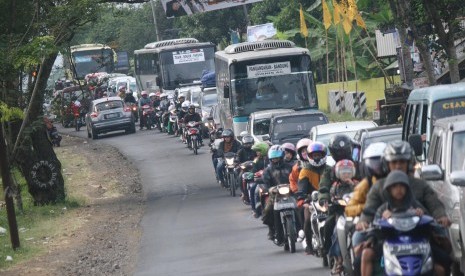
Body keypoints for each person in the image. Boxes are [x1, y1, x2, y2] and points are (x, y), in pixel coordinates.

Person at [357, 140, 451, 275]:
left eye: (402, 162)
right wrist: (364, 222)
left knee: (445, 259)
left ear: (409, 163)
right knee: (360, 259)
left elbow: (434, 205)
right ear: (386, 164)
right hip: (386, 239)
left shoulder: (421, 185)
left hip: (420, 238)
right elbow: (369, 211)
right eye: (394, 162)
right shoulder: (378, 187)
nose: (398, 166)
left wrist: (440, 217)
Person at [360, 170, 431, 276]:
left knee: (442, 263)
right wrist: (372, 236)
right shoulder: (383, 208)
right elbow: (375, 227)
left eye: (402, 186)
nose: (399, 190)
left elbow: (429, 222)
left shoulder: (416, 205)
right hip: (389, 246)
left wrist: (421, 215)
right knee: (366, 254)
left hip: (416, 246)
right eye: (394, 186)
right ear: (388, 190)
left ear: (407, 189)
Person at [344, 142, 387, 275]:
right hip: (372, 225)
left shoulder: (398, 179)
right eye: (373, 164)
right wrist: (367, 208)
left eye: (380, 163)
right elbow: (350, 207)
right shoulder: (366, 184)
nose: (377, 167)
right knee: (358, 248)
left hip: (399, 223)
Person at [318, 134, 360, 256]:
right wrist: (324, 199)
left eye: (344, 151)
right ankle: (328, 250)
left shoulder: (358, 166)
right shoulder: (329, 171)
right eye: (338, 152)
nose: (341, 154)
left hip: (358, 206)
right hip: (338, 207)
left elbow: (367, 185)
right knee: (329, 224)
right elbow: (323, 188)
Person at [296, 141, 331, 254]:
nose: (316, 157)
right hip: (311, 200)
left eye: (319, 155)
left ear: (323, 155)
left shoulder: (329, 169)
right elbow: (301, 187)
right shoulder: (305, 171)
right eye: (314, 155)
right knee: (307, 219)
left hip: (328, 199)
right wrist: (302, 199)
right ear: (310, 156)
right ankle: (309, 245)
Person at [328, 159, 358, 275]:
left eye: (348, 171)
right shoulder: (335, 186)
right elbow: (331, 198)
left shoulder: (357, 184)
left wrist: (353, 185)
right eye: (343, 172)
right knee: (336, 233)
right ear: (338, 173)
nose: (346, 174)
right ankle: (338, 260)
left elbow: (364, 194)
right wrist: (333, 201)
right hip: (341, 215)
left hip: (356, 214)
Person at [261, 145, 294, 244]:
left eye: (277, 156)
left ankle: (303, 229)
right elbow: (265, 183)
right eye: (273, 157)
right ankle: (272, 230)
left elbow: (297, 179)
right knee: (268, 211)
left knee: (300, 208)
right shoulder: (268, 170)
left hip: (290, 194)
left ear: (282, 156)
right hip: (275, 195)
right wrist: (269, 189)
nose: (275, 159)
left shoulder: (291, 167)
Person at [236, 135, 257, 204]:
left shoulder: (255, 151)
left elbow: (258, 158)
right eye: (246, 144)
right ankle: (243, 192)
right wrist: (238, 163)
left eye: (250, 144)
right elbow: (237, 159)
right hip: (244, 169)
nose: (248, 145)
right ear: (243, 144)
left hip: (254, 168)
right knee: (240, 176)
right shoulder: (240, 151)